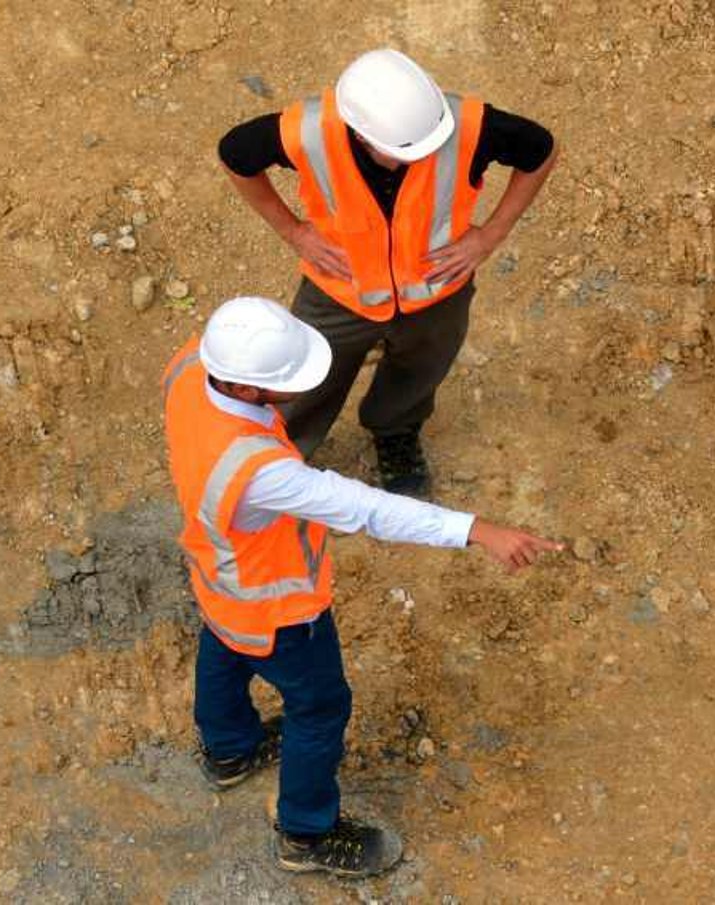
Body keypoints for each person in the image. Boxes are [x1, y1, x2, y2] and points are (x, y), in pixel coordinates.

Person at [162, 296, 562, 878]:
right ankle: (305, 834)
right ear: (247, 389)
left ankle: (228, 751)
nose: (298, 390)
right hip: (277, 609)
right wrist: (477, 530)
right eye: (286, 382)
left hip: (217, 575)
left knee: (222, 648)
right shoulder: (262, 474)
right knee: (321, 707)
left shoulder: (191, 364)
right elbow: (363, 508)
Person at [218, 48, 558, 498]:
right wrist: (295, 233)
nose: (425, 155)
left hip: (439, 292)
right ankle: (283, 457)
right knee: (302, 380)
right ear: (360, 133)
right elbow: (234, 157)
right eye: (405, 151)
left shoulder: (468, 125)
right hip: (338, 292)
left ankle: (395, 431)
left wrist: (490, 235)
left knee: (420, 371)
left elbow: (541, 151)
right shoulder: (308, 133)